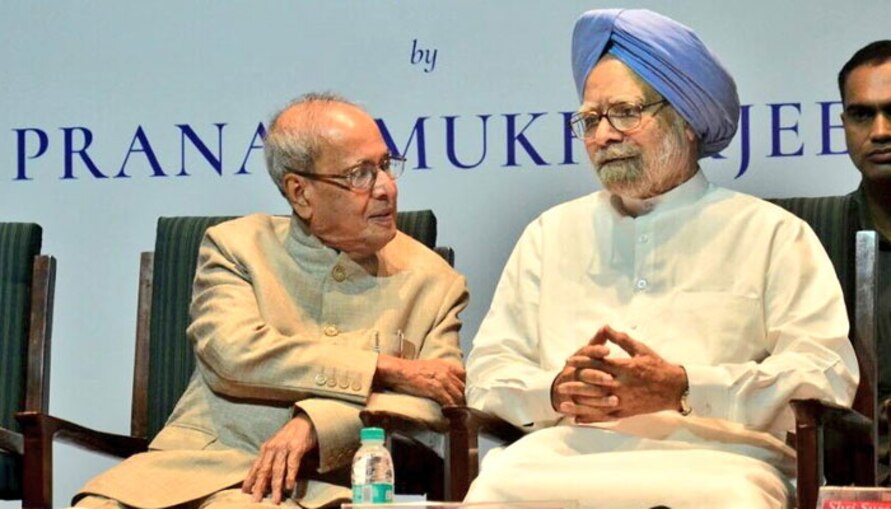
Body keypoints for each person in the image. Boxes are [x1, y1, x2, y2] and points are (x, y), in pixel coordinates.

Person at [464, 9, 858, 509]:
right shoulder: (549, 234)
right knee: (494, 489)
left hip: (721, 459)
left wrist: (686, 387)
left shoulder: (771, 234)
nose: (603, 136)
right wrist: (555, 390)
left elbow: (825, 373)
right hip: (562, 455)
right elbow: (488, 370)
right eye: (591, 120)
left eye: (626, 113)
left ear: (687, 122)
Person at [73, 93, 469, 508]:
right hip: (195, 465)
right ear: (301, 193)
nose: (387, 188)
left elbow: (436, 397)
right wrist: (385, 368)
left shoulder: (434, 281)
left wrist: (318, 424)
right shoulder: (236, 248)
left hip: (321, 482)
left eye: (385, 165)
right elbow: (234, 354)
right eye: (360, 175)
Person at [838, 40, 891, 409]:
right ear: (844, 125)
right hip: (855, 440)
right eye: (861, 114)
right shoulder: (811, 238)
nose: (880, 131)